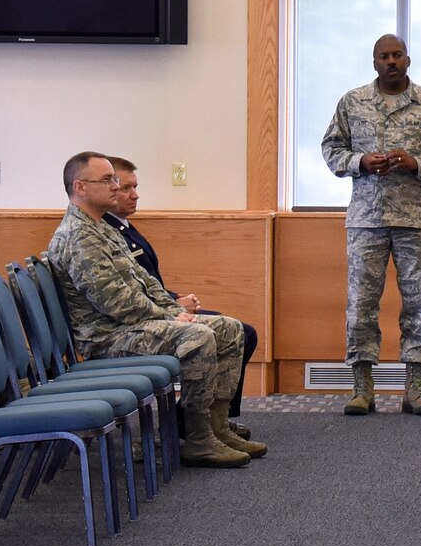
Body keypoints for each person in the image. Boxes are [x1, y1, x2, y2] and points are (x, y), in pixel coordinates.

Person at [47, 152, 262, 468]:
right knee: (199, 337)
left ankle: (216, 427)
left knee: (230, 329)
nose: (115, 186)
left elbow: (145, 284)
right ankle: (198, 438)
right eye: (107, 180)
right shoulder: (78, 237)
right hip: (108, 337)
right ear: (80, 187)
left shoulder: (102, 229)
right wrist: (171, 316)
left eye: (115, 179)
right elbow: (116, 302)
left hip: (130, 326)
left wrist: (170, 308)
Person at [320, 34, 421, 417]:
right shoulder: (353, 102)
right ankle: (362, 388)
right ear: (374, 62)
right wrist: (360, 162)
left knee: (418, 303)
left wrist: (417, 163)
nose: (391, 62)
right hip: (366, 221)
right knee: (361, 304)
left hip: (414, 221)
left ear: (408, 59)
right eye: (384, 56)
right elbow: (331, 149)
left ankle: (415, 388)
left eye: (397, 55)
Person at [105, 156, 261, 441]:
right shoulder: (102, 233)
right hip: (125, 329)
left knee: (237, 330)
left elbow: (145, 282)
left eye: (135, 186)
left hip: (153, 313)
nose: (135, 194)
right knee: (221, 334)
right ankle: (194, 424)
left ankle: (214, 421)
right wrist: (173, 308)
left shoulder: (123, 227)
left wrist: (174, 300)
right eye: (126, 187)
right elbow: (122, 298)